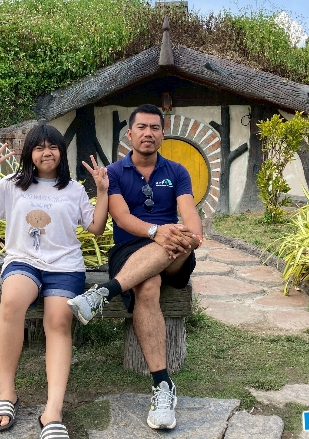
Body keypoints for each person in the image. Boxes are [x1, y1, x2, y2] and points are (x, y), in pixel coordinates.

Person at [0, 124, 109, 438]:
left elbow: (96, 228)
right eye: (39, 147)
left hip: (65, 266)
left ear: (61, 152)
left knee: (59, 320)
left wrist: (101, 190)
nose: (47, 153)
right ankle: (7, 394)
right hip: (24, 261)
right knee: (11, 302)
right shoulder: (12, 185)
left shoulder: (72, 189)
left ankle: (53, 410)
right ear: (30, 152)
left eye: (53, 147)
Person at [67, 104, 203, 431]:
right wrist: (157, 231)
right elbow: (122, 217)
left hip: (173, 253)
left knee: (180, 240)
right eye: (141, 127)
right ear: (130, 134)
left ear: (162, 134)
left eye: (155, 128)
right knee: (148, 284)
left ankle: (103, 293)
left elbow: (190, 219)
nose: (148, 133)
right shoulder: (114, 172)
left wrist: (189, 235)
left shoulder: (177, 171)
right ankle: (163, 385)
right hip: (129, 250)